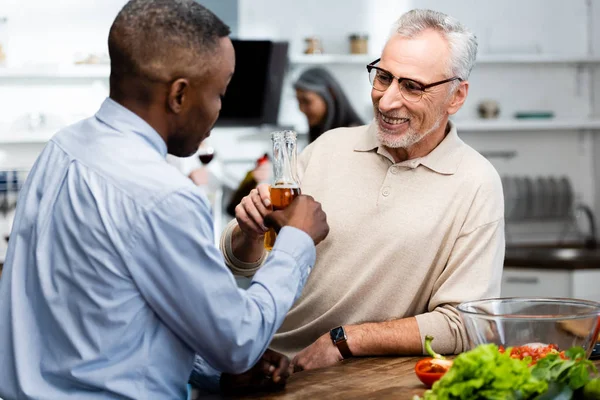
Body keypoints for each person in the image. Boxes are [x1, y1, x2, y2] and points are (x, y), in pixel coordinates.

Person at [0, 1, 329, 399]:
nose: (219, 110)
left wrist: (213, 372)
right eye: (219, 94)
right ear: (179, 95)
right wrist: (296, 239)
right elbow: (238, 341)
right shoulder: (162, 196)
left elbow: (100, 316)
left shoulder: (62, 148)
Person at [215, 8, 505, 373]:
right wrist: (249, 230)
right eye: (383, 77)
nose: (386, 101)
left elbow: (465, 323)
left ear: (456, 96)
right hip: (263, 368)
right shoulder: (328, 147)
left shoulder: (476, 182)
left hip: (364, 379)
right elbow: (240, 263)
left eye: (411, 86)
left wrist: (345, 340)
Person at [294, 67, 364, 143]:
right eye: (299, 101)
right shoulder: (321, 134)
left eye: (307, 101)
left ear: (331, 93)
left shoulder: (353, 137)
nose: (301, 109)